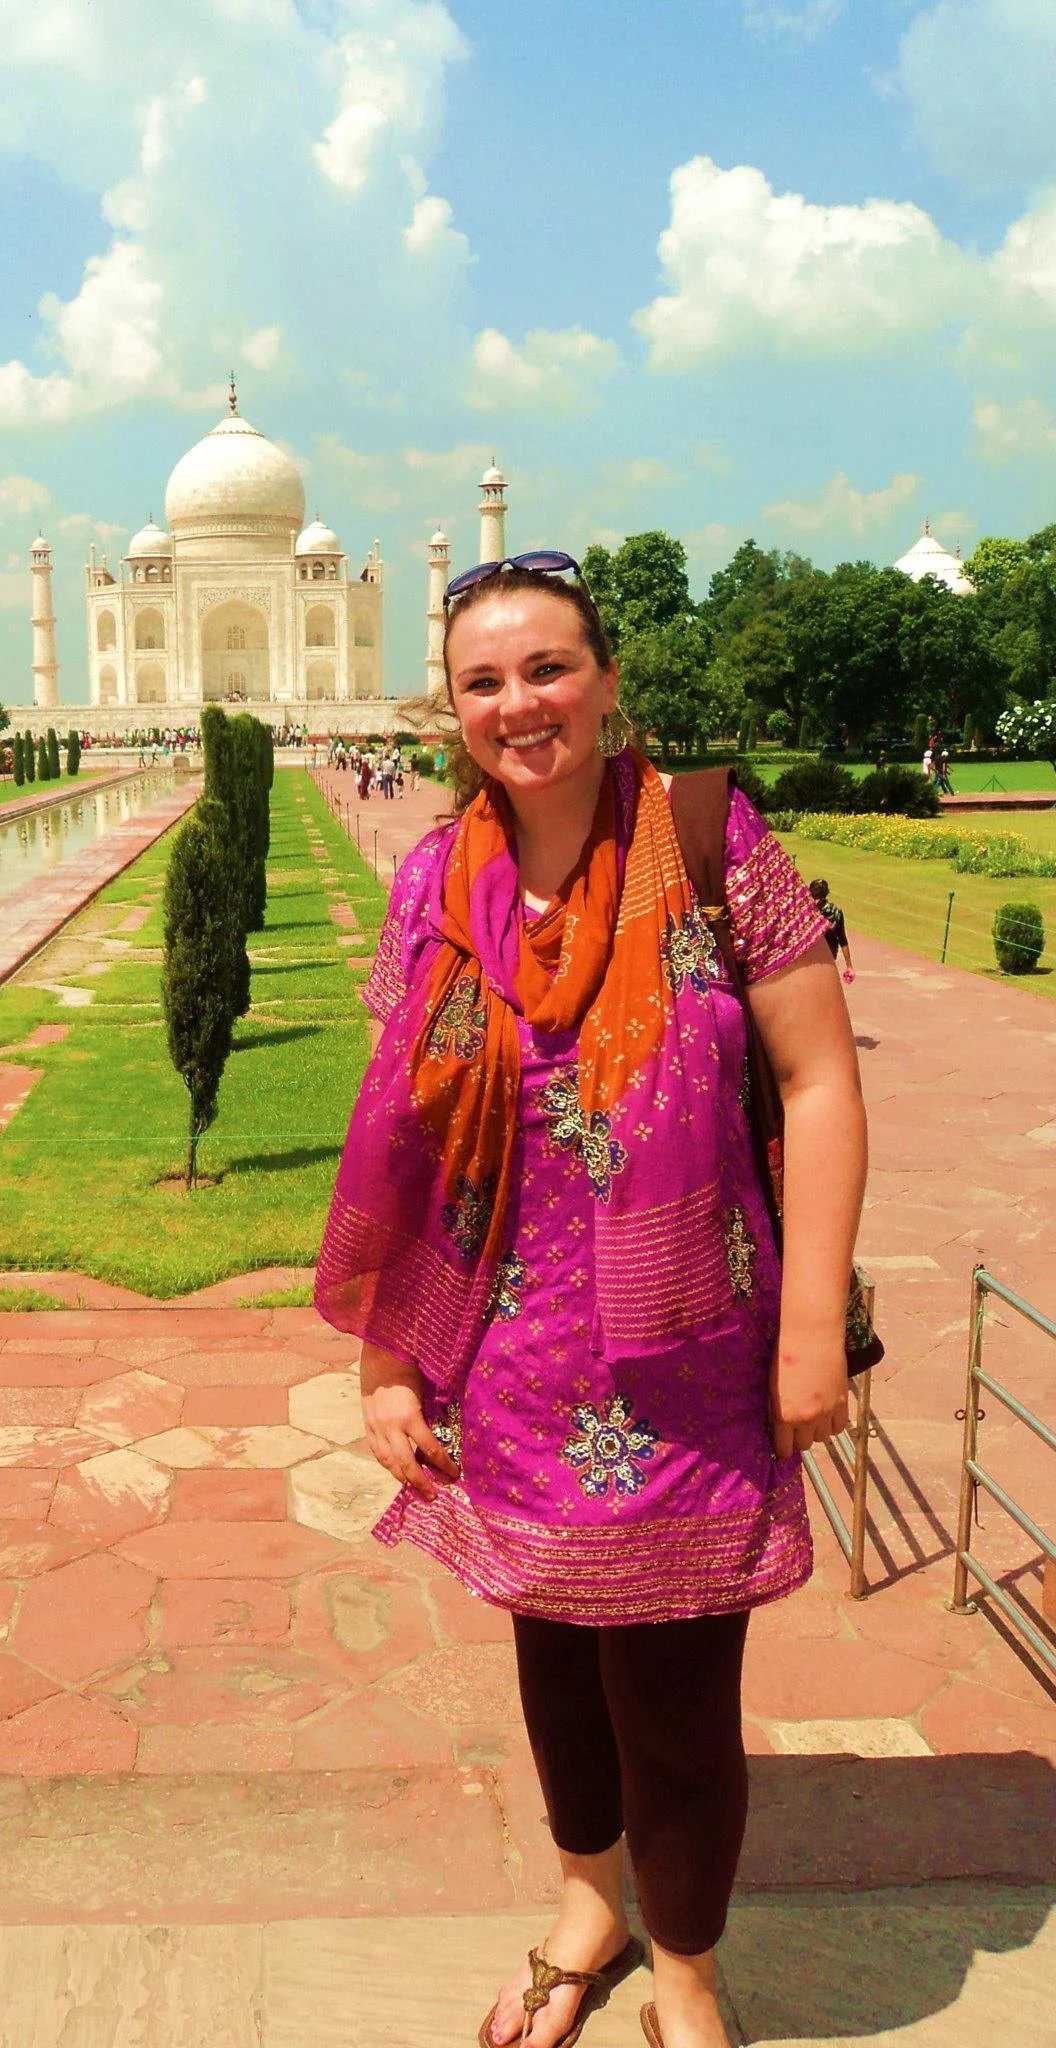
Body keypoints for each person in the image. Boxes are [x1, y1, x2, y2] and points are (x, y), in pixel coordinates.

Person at [315, 557, 866, 2048]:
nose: (521, 704)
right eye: (485, 681)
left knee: (677, 1695)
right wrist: (390, 1358)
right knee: (553, 1651)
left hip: (689, 1354)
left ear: (609, 680)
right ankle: (586, 1904)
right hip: (507, 1359)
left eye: (549, 669)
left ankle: (685, 1971)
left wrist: (812, 1332)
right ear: (452, 707)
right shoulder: (439, 879)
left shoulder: (704, 842)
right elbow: (415, 1130)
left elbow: (817, 1082)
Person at [808, 878, 854, 984]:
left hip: (810, 958)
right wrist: (849, 966)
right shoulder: (836, 912)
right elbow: (842, 939)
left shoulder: (807, 911)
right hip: (828, 957)